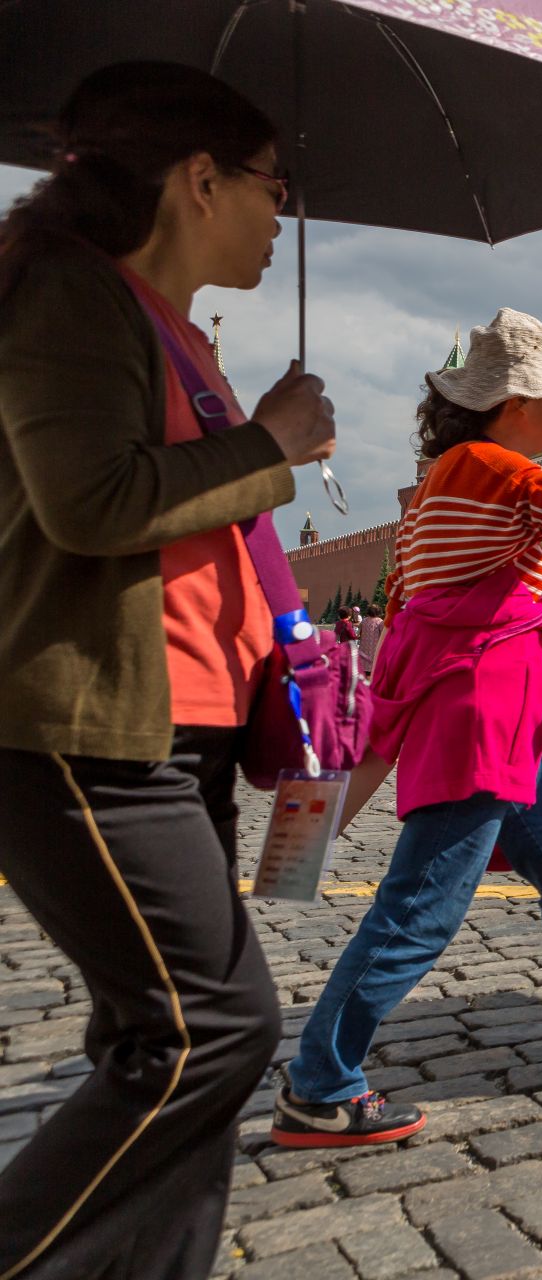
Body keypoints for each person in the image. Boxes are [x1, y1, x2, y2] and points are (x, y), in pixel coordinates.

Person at [0, 63, 337, 1278]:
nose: (279, 213)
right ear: (200, 181)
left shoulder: (178, 330)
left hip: (180, 728)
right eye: (271, 185)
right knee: (210, 1032)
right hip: (85, 727)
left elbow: (216, 540)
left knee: (163, 1047)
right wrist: (272, 443)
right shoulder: (67, 296)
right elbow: (90, 504)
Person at [273, 309, 542, 1149]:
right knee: (421, 908)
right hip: (479, 718)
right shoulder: (484, 463)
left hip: (498, 719)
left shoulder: (449, 477)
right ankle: (320, 1083)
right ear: (511, 401)